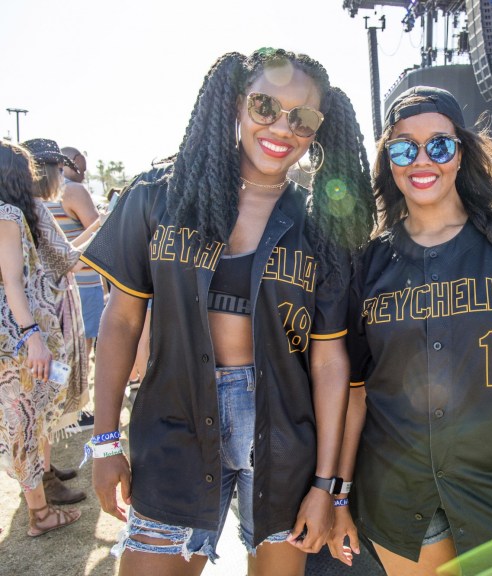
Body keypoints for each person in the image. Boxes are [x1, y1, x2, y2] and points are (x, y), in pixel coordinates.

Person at [82, 47, 375, 576]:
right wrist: (104, 442)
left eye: (302, 118)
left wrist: (326, 488)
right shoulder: (160, 196)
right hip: (175, 422)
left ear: (319, 130)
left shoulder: (320, 228)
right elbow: (122, 321)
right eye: (265, 106)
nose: (282, 128)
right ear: (237, 104)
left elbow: (330, 363)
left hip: (284, 435)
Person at [331, 86, 492, 576]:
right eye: (404, 147)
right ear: (388, 160)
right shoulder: (368, 265)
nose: (422, 159)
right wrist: (340, 495)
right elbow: (358, 394)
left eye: (440, 145)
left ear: (461, 153)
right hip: (403, 496)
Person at [0, 140, 83, 536]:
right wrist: (32, 335)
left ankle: (40, 507)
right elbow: (13, 281)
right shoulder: (10, 213)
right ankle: (40, 514)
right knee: (25, 424)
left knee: (23, 423)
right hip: (15, 339)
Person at [46, 146, 105, 430]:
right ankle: (73, 412)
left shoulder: (36, 199)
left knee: (62, 352)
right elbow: (101, 234)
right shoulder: (74, 192)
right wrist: (106, 221)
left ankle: (62, 412)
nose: (82, 173)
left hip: (56, 286)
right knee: (81, 352)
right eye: (77, 167)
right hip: (82, 282)